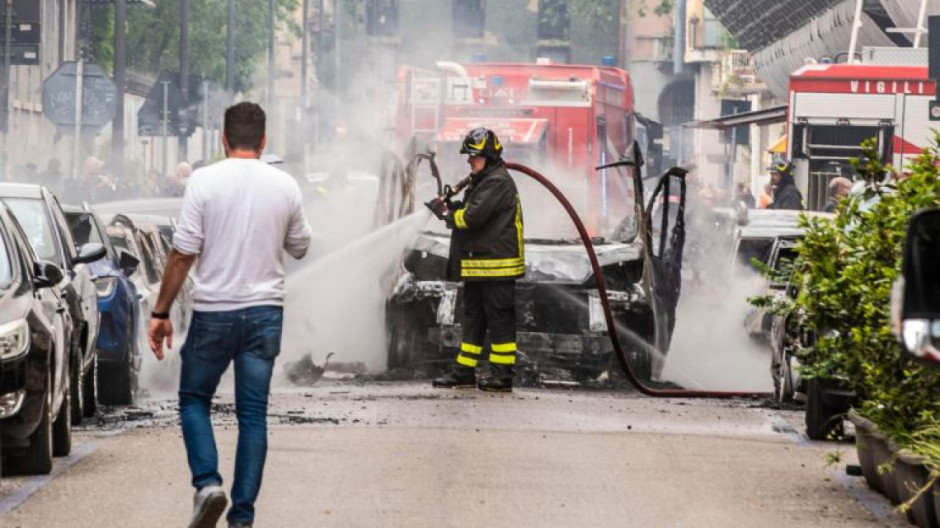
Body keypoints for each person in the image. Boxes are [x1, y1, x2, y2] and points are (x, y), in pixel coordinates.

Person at [148, 102, 312, 528]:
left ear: (223, 139)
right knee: (253, 415)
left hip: (214, 313)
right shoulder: (285, 185)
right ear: (263, 141)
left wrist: (161, 311)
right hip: (265, 314)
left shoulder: (203, 182)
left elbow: (183, 253)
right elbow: (301, 246)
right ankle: (242, 517)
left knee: (194, 400)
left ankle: (207, 484)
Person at [427, 127, 525, 392]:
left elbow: (471, 218)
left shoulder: (497, 182)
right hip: (480, 265)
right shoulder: (484, 181)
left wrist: (447, 212)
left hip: (496, 266)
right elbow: (471, 211)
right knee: (473, 319)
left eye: (475, 156)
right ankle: (464, 371)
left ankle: (502, 376)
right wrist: (452, 208)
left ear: (490, 156)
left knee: (499, 320)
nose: (470, 161)